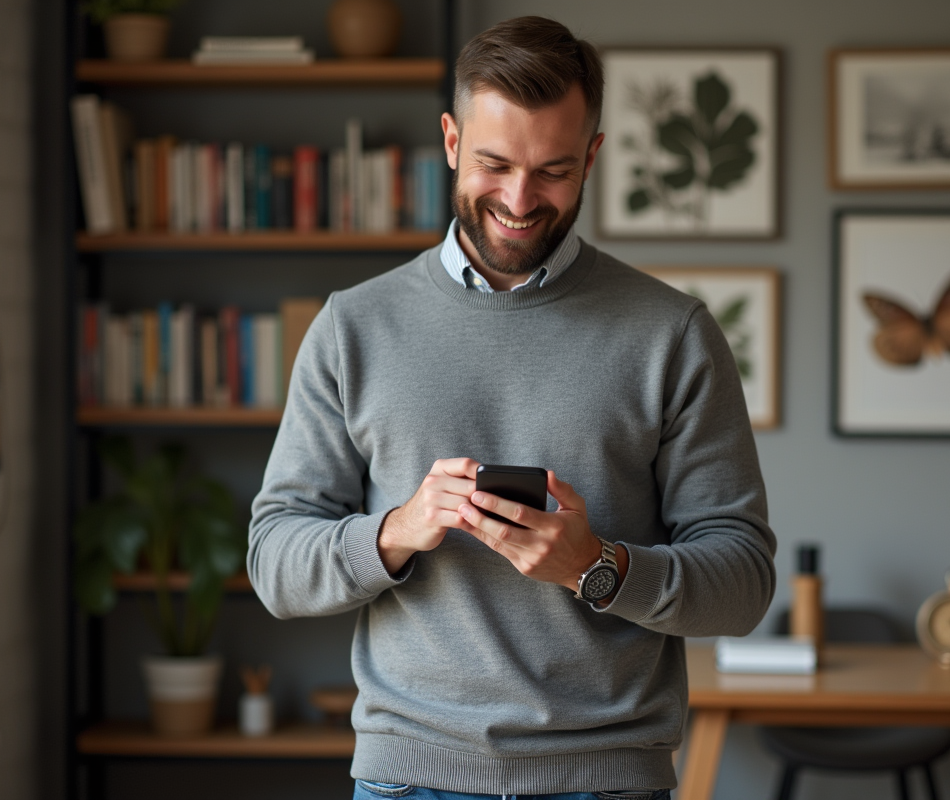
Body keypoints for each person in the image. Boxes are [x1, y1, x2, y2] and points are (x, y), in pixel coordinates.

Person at [249, 15, 776, 800]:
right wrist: (395, 533)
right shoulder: (353, 327)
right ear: (452, 141)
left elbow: (744, 581)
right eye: (495, 164)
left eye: (554, 171)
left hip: (606, 782)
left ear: (593, 156)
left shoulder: (675, 335)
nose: (521, 200)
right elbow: (274, 563)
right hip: (407, 780)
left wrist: (597, 568)